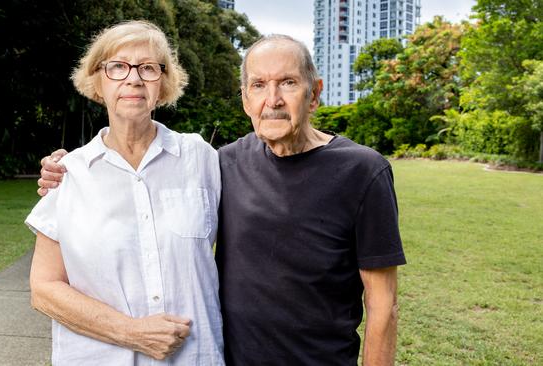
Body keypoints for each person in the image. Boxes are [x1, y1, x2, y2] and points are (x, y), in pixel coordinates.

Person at [39, 34, 405, 365]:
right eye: (259, 85)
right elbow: (44, 286)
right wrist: (60, 167)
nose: (272, 100)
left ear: (314, 93)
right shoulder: (219, 162)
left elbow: (383, 306)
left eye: (288, 83)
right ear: (245, 98)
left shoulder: (206, 160)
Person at [25, 20, 224, 365]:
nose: (133, 78)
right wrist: (132, 333)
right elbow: (44, 290)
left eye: (148, 68)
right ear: (97, 82)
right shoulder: (69, 173)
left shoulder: (201, 159)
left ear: (163, 85)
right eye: (117, 67)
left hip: (194, 357)